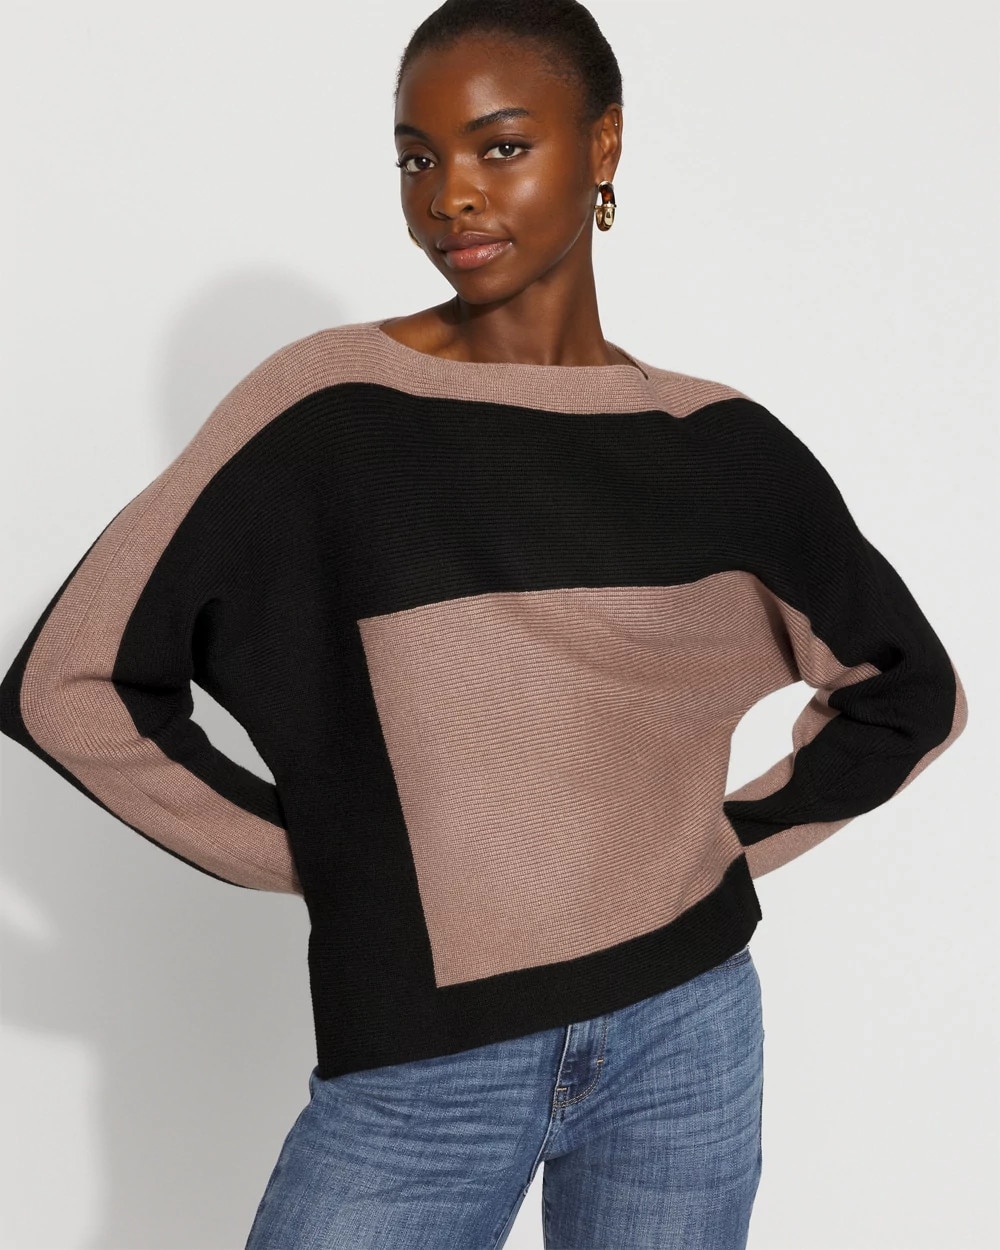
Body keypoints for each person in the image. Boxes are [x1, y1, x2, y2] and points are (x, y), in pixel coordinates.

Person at [0, 1, 968, 1247]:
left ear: (602, 145)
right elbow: (67, 683)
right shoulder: (328, 408)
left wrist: (717, 844)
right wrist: (343, 860)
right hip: (425, 1066)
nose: (449, 194)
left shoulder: (719, 447)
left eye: (500, 147)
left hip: (689, 1031)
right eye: (417, 157)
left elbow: (907, 691)